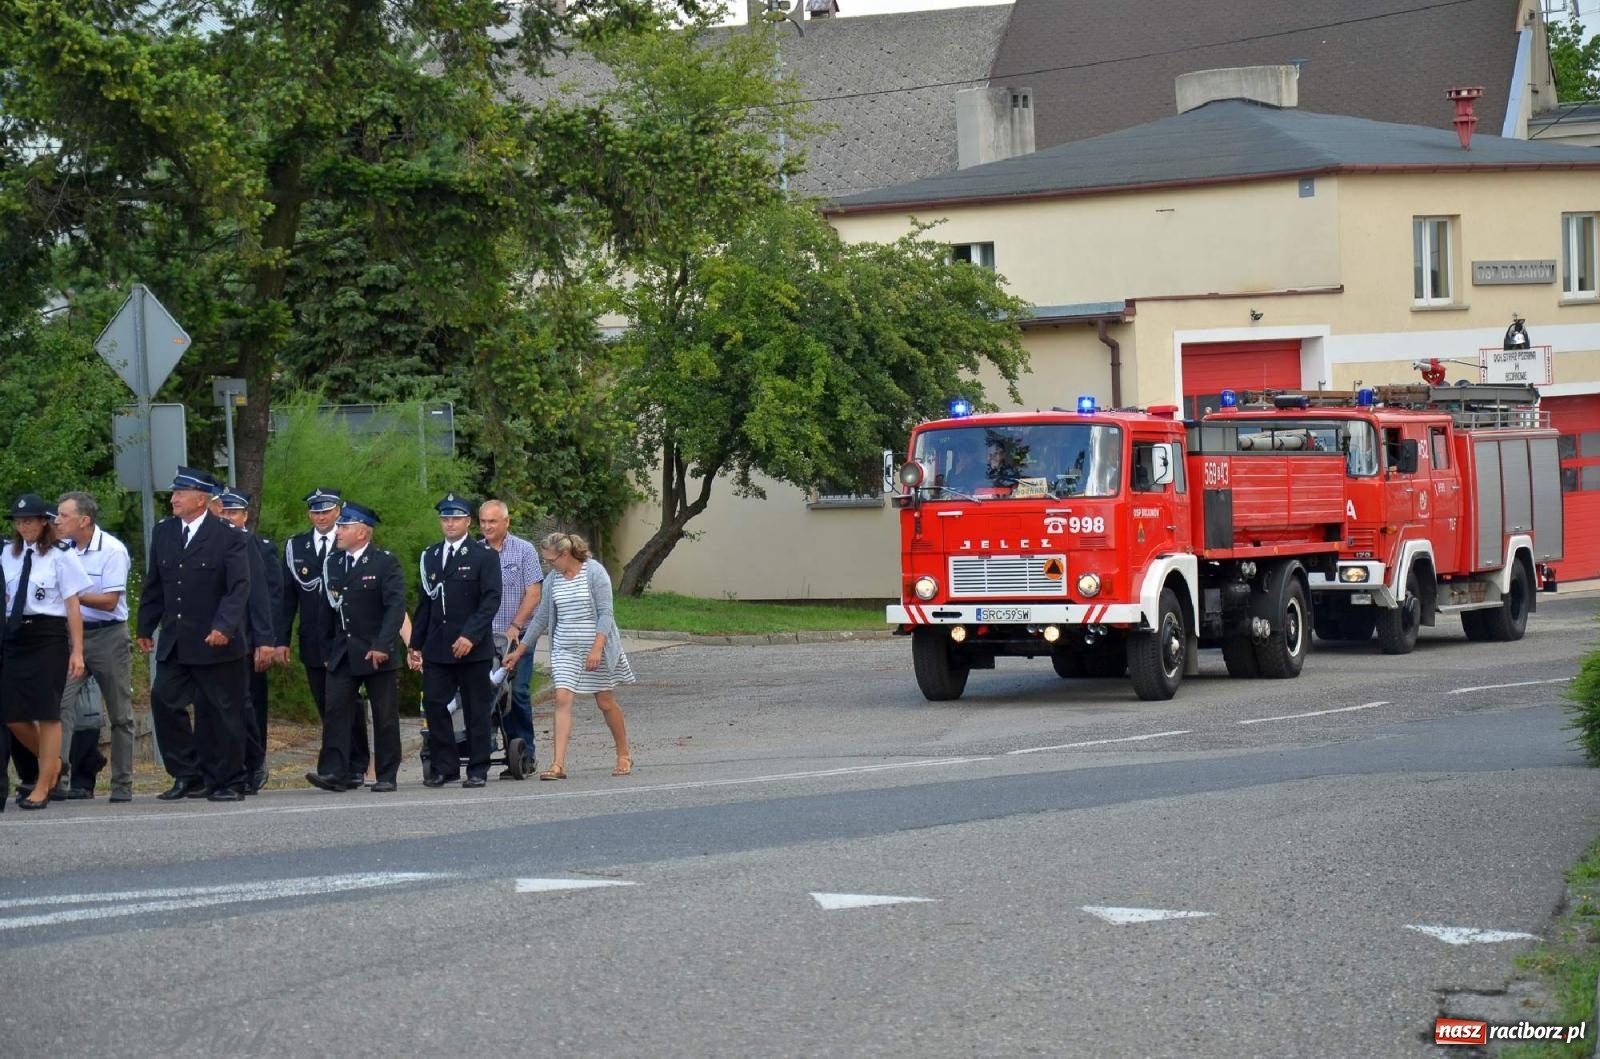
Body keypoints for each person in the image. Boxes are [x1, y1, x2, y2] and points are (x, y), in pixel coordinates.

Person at [137, 467, 254, 802]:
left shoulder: (229, 535)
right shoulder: (165, 533)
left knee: (222, 713)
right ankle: (188, 774)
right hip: (176, 640)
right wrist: (145, 626)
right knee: (164, 699)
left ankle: (229, 779)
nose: (173, 499)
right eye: (173, 493)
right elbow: (155, 584)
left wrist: (223, 626)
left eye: (180, 494)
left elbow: (238, 588)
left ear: (201, 499)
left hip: (216, 642)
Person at [306, 501, 406, 793]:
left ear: (362, 533)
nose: (338, 531)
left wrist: (383, 645)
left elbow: (395, 608)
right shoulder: (333, 563)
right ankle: (336, 772)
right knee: (336, 711)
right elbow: (326, 610)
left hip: (376, 651)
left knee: (384, 715)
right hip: (343, 651)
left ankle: (386, 774)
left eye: (345, 526)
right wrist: (325, 650)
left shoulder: (384, 562)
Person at [408, 493, 501, 789]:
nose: (450, 523)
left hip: (472, 647)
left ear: (468, 522)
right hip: (438, 646)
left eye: (456, 518)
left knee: (476, 708)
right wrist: (415, 644)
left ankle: (477, 767)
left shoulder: (483, 555)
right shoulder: (431, 556)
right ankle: (445, 766)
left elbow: (490, 601)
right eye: (445, 518)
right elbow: (426, 603)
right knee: (434, 705)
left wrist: (470, 635)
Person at [3, 494, 89, 810]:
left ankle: (43, 784)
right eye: (19, 521)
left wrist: (77, 651)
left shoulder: (60, 555)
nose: (24, 526)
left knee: (47, 711)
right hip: (16, 636)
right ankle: (52, 762)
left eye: (30, 520)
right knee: (11, 713)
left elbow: (72, 605)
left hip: (48, 637)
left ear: (43, 523)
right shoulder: (7, 555)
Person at [524, 531, 634, 781]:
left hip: (595, 646)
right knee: (562, 697)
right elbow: (542, 617)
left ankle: (623, 754)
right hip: (565, 648)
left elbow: (606, 613)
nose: (548, 565)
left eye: (551, 560)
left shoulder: (594, 572)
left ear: (565, 554)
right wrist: (520, 649)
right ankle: (558, 765)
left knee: (605, 702)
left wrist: (597, 649)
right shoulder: (553, 579)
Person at [279, 486, 369, 788]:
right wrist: (280, 640)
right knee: (327, 704)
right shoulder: (297, 546)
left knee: (343, 704)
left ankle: (344, 766)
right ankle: (346, 764)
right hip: (313, 639)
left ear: (338, 511)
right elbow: (287, 598)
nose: (320, 516)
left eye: (326, 511)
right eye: (315, 511)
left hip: (346, 639)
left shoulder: (349, 542)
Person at [52, 491, 136, 802]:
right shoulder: (60, 550)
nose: (57, 521)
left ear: (84, 521)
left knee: (120, 713)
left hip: (108, 636)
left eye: (64, 515)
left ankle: (122, 784)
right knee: (60, 706)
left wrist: (72, 595)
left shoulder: (112, 550)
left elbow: (111, 600)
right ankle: (57, 780)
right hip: (73, 636)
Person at [212, 489, 285, 793]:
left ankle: (255, 761)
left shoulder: (260, 548)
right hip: (219, 636)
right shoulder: (212, 545)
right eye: (224, 512)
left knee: (249, 705)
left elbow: (269, 597)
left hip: (250, 638)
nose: (228, 517)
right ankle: (229, 763)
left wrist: (266, 640)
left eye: (234, 512)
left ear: (245, 516)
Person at [477, 498, 542, 777]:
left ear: (506, 522)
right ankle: (484, 746)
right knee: (482, 695)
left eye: (493, 521)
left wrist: (515, 626)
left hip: (517, 637)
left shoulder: (524, 551)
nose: (487, 527)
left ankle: (524, 752)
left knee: (518, 694)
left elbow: (534, 592)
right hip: (481, 640)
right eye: (483, 522)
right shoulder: (474, 552)